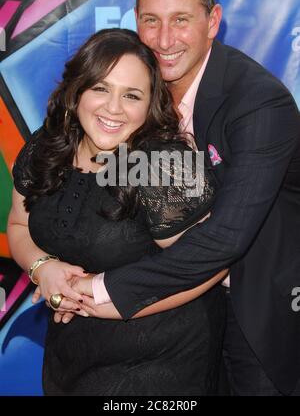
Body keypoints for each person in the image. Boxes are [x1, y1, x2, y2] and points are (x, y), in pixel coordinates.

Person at [79, 0, 300, 396]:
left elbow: (225, 238)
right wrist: (50, 266)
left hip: (254, 307)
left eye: (180, 20)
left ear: (212, 21)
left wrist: (99, 290)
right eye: (150, 20)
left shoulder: (259, 104)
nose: (163, 40)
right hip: (175, 315)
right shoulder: (132, 90)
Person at [7, 28, 228, 396]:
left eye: (132, 95)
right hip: (71, 352)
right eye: (100, 88)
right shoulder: (48, 145)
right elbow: (19, 224)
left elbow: (212, 263)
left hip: (160, 361)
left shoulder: (164, 165)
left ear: (150, 103)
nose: (113, 108)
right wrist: (41, 267)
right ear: (77, 90)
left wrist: (98, 301)